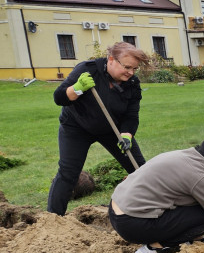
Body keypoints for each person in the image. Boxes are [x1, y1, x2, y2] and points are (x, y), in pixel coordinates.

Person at [47, 42, 149, 215]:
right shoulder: (87, 70)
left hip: (112, 129)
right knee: (68, 172)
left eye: (134, 69)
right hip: (76, 127)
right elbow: (59, 98)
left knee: (140, 169)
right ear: (111, 60)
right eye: (127, 67)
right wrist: (77, 89)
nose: (131, 72)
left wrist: (126, 135)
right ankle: (52, 219)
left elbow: (131, 115)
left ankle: (154, 210)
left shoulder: (132, 83)